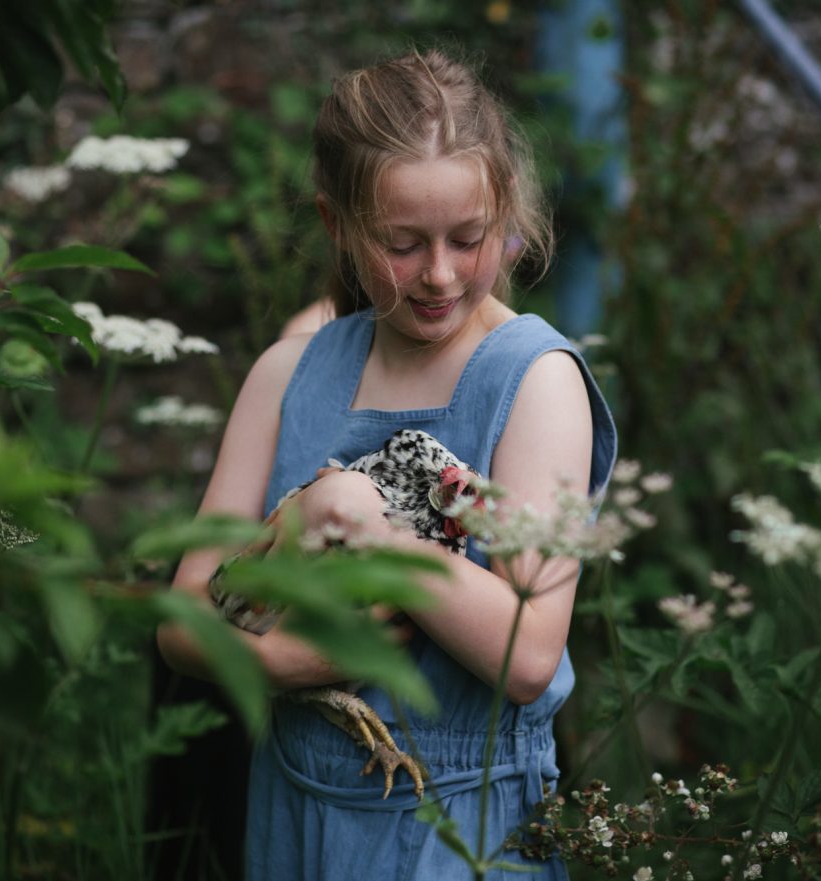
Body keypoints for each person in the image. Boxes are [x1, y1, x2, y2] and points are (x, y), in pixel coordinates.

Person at [157, 49, 616, 880]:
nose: (439, 274)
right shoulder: (288, 375)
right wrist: (275, 658)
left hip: (461, 828)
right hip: (293, 808)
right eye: (402, 245)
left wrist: (385, 539)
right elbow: (181, 616)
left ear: (503, 213)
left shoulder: (534, 380)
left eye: (468, 239)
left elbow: (529, 657)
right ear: (339, 227)